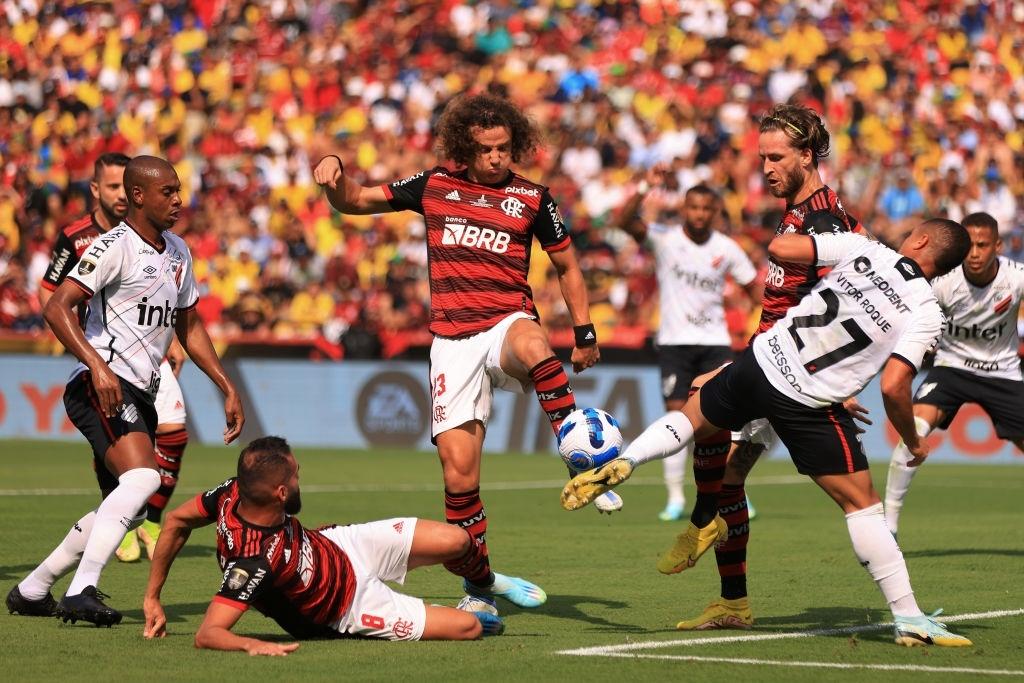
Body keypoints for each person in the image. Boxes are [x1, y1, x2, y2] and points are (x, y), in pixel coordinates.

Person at [563, 220, 974, 648]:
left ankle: (627, 459)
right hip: (809, 399)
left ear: (922, 240)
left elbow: (782, 247)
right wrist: (912, 440)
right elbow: (893, 386)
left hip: (763, 362)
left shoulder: (862, 248)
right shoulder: (927, 311)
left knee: (689, 417)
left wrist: (832, 243)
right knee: (862, 506)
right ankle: (908, 619)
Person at [314, 93, 603, 611]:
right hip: (452, 343)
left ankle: (579, 457)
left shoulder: (534, 198)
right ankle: (479, 586)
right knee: (459, 476)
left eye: (505, 148)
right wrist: (336, 176)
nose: (497, 158)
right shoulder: (433, 185)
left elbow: (569, 267)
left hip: (505, 322)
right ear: (464, 149)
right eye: (487, 149)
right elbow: (355, 200)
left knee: (535, 344)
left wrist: (584, 332)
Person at [5, 156, 244, 626]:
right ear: (138, 196)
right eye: (167, 192)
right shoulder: (112, 245)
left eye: (179, 191)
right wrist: (96, 365)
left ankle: (33, 589)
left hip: (142, 391)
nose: (178, 200)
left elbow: (189, 327)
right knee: (145, 481)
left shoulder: (178, 251)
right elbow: (57, 307)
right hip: (102, 386)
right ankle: (82, 589)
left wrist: (225, 385)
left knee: (128, 506)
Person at [671, 104, 870, 631]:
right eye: (762, 157)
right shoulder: (799, 212)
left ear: (808, 155)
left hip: (791, 373)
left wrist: (834, 379)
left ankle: (904, 604)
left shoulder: (823, 222)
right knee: (723, 468)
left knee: (852, 497)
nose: (765, 169)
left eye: (776, 157)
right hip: (774, 362)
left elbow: (848, 308)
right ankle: (730, 597)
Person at [142, 436, 504, 653]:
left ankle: (486, 584)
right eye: (296, 475)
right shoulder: (251, 560)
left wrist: (152, 597)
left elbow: (175, 520)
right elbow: (208, 633)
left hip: (340, 544)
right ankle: (441, 610)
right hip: (347, 609)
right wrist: (252, 644)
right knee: (468, 628)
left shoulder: (234, 490)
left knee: (458, 539)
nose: (301, 479)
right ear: (281, 493)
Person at [35, 152, 192, 564]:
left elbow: (176, 310)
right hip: (106, 359)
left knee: (172, 435)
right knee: (137, 475)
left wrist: (173, 339)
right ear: (99, 190)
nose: (118, 196)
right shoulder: (83, 238)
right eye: (111, 187)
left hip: (153, 359)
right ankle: (100, 553)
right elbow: (52, 296)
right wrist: (89, 356)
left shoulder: (172, 246)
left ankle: (139, 517)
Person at [617, 171, 760, 521]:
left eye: (706, 209)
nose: (699, 214)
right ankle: (676, 498)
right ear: (684, 209)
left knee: (722, 420)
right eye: (693, 207)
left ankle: (732, 487)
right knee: (677, 418)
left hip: (714, 342)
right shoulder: (664, 240)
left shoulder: (726, 249)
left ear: (715, 212)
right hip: (675, 344)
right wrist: (645, 187)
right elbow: (624, 221)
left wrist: (769, 324)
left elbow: (755, 288)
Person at [884, 212, 1024, 536]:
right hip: (952, 368)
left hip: (1002, 372)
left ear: (998, 246)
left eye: (983, 245)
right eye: (970, 245)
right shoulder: (944, 282)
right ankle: (888, 525)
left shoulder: (1016, 277)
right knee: (914, 430)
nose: (974, 253)